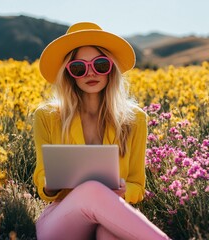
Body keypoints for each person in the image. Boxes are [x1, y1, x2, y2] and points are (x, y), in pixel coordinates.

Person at [33, 22, 170, 240]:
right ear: (69, 74)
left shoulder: (135, 119)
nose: (91, 72)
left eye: (100, 64)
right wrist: (51, 182)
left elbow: (138, 186)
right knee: (92, 190)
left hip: (110, 213)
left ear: (111, 69)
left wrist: (125, 191)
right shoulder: (47, 116)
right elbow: (42, 182)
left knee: (108, 234)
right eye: (79, 67)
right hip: (62, 219)